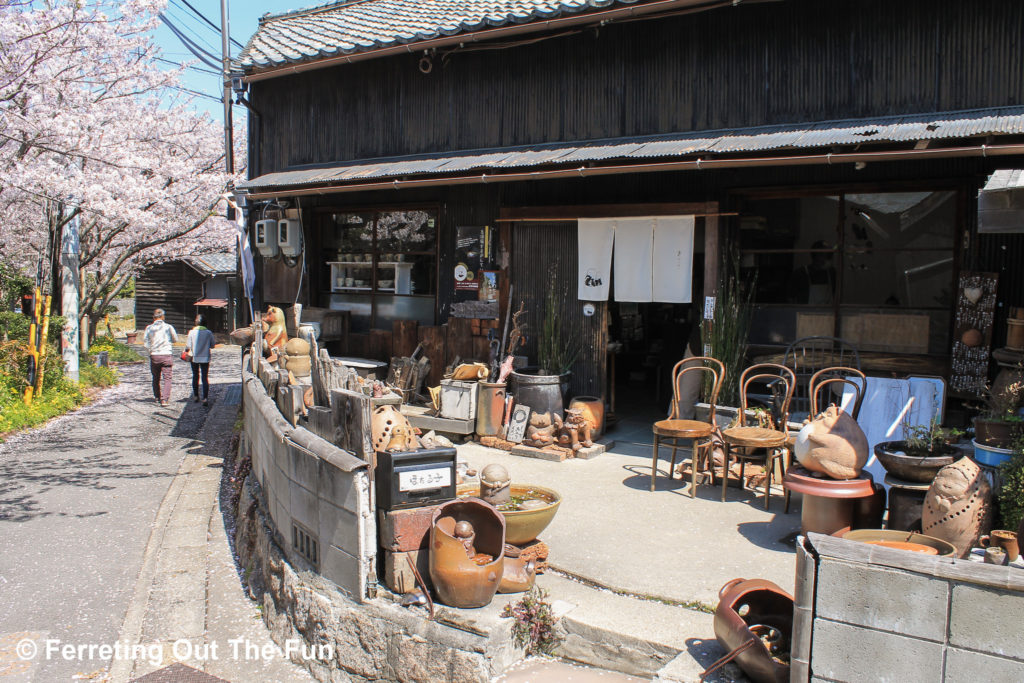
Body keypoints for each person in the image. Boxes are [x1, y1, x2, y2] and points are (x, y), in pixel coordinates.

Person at [143, 308, 177, 407]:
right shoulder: (168, 327)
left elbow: (145, 343)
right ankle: (165, 399)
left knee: (155, 377)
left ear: (153, 317)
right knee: (167, 378)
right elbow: (175, 339)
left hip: (154, 355)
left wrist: (150, 351)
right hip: (166, 354)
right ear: (163, 317)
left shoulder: (149, 328)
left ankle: (157, 396)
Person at [185, 314, 216, 406]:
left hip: (194, 357)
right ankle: (205, 398)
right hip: (205, 357)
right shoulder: (208, 333)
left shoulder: (191, 332)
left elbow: (188, 346)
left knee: (195, 375)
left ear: (196, 322)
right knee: (204, 377)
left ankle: (195, 395)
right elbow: (212, 345)